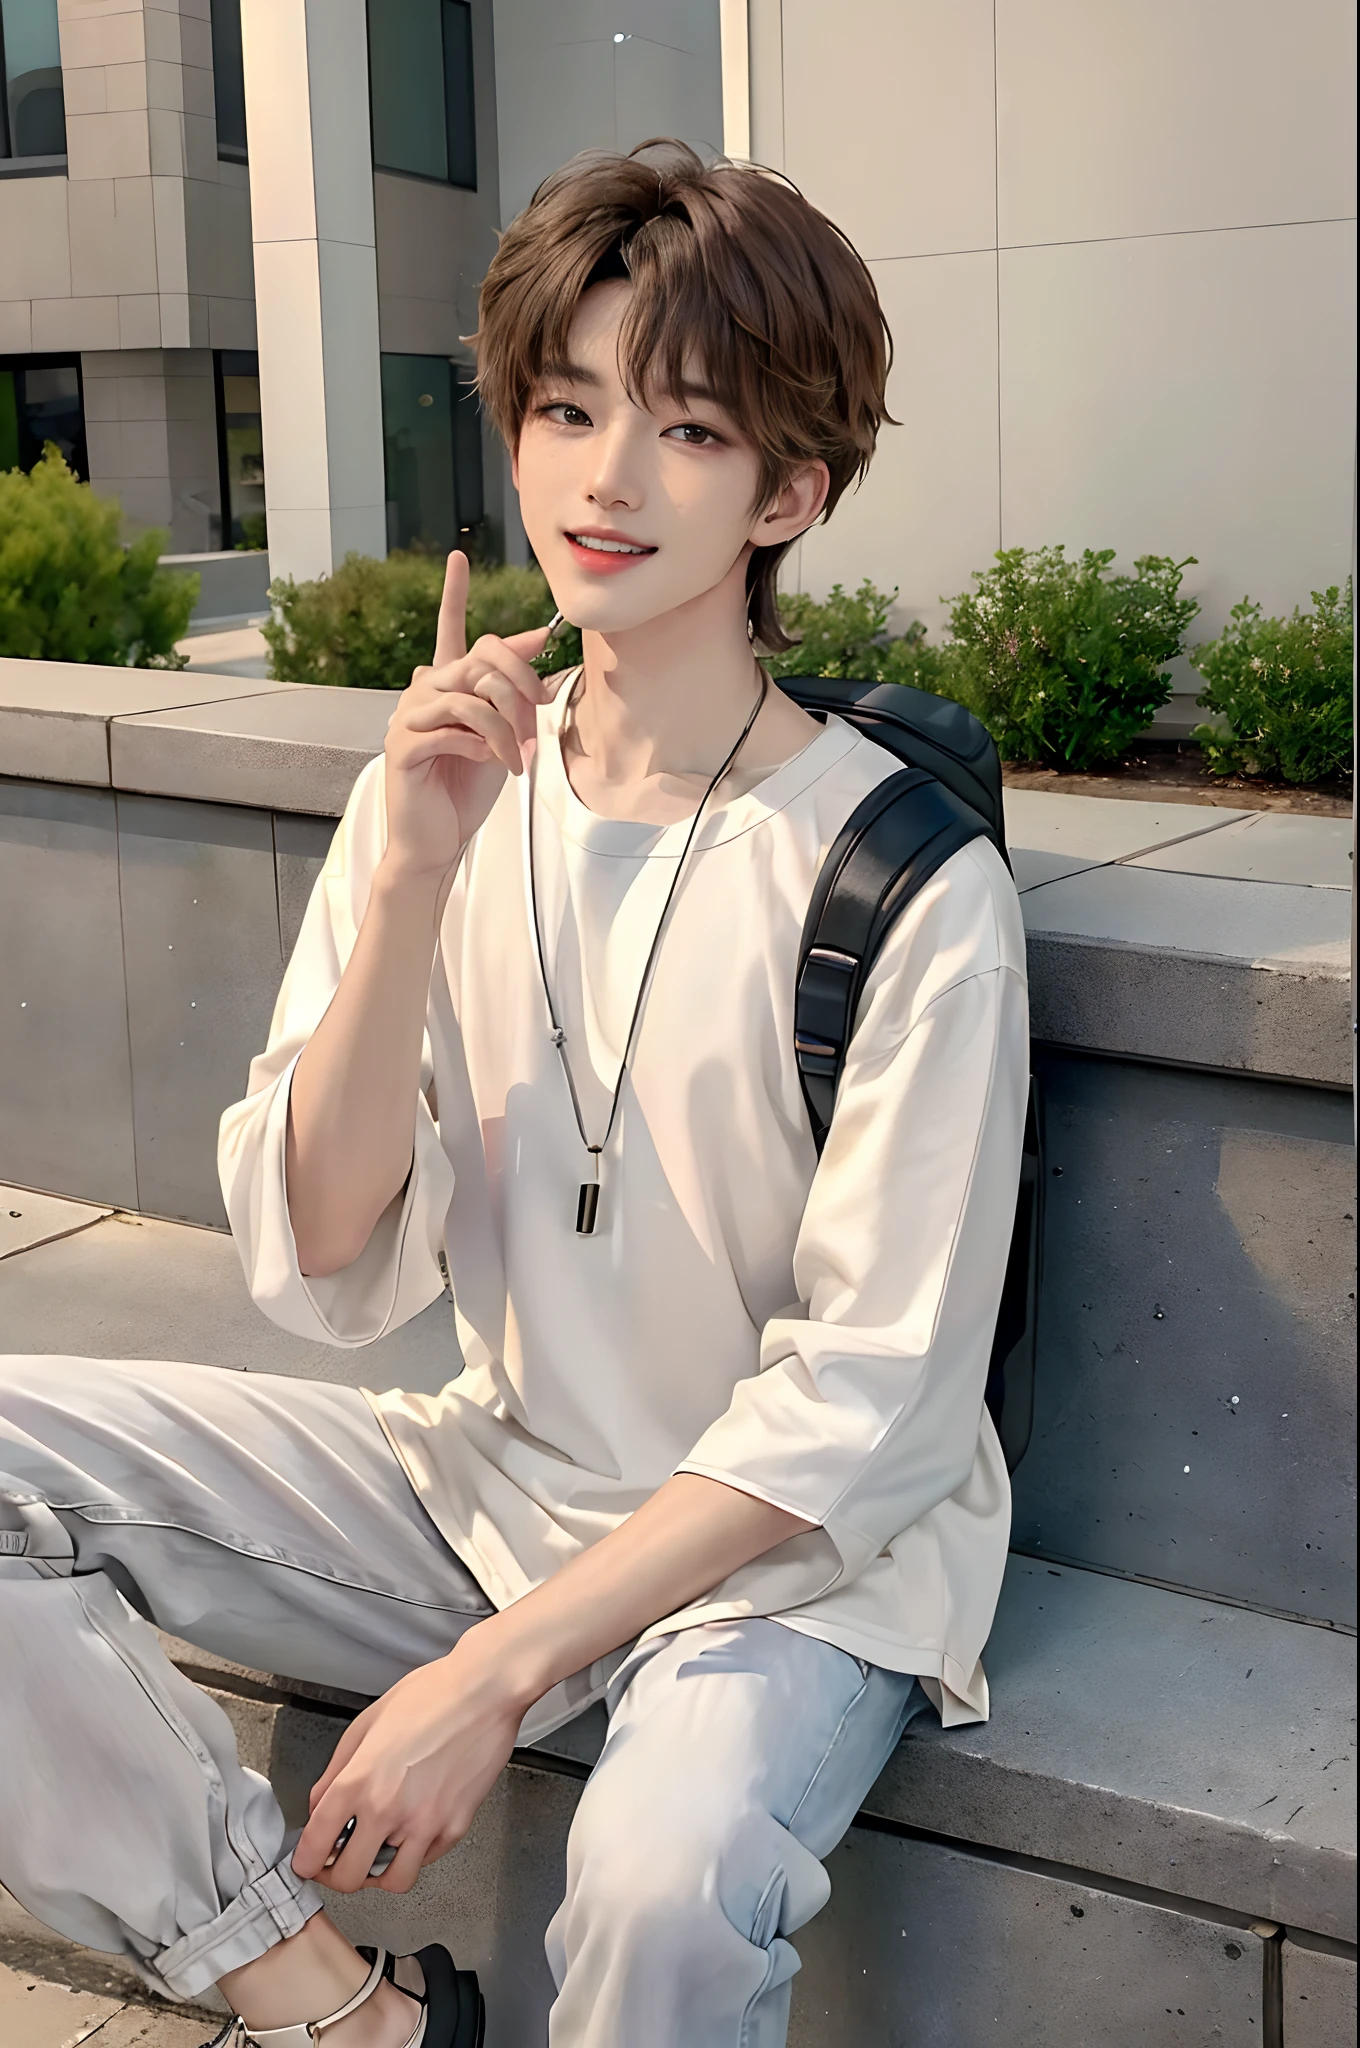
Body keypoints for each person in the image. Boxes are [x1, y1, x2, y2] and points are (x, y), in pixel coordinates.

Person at [0, 141, 1027, 2048]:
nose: (603, 480)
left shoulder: (903, 881)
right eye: (565, 408)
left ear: (791, 489)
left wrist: (495, 1675)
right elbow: (321, 1259)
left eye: (686, 431)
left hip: (788, 1562)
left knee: (659, 1897)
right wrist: (406, 877)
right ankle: (341, 2016)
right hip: (492, 1481)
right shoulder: (447, 786)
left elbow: (874, 1395)